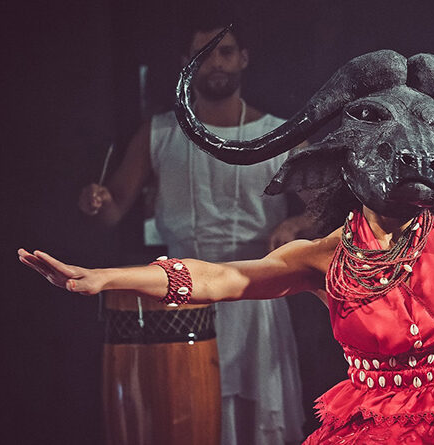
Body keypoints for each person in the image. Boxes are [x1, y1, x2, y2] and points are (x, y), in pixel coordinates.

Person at [25, 46, 434, 443]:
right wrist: (104, 277)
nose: (409, 156)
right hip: (369, 426)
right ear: (343, 160)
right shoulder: (323, 258)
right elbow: (216, 278)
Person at [77, 20, 305, 445]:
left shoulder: (279, 133)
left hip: (256, 291)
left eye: (225, 51)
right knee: (187, 413)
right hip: (180, 295)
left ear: (243, 58)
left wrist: (295, 224)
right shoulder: (159, 132)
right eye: (203, 54)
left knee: (258, 420)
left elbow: (326, 209)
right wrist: (97, 200)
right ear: (186, 63)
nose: (215, 63)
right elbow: (113, 209)